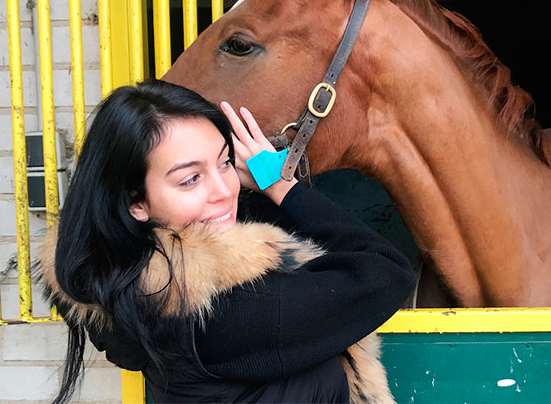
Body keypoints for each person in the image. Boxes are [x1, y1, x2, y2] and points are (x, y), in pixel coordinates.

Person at [37, 79, 415, 404]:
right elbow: (386, 270)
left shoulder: (128, 283)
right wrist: (279, 183)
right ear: (136, 203)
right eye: (190, 179)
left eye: (224, 163)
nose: (226, 190)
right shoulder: (235, 313)